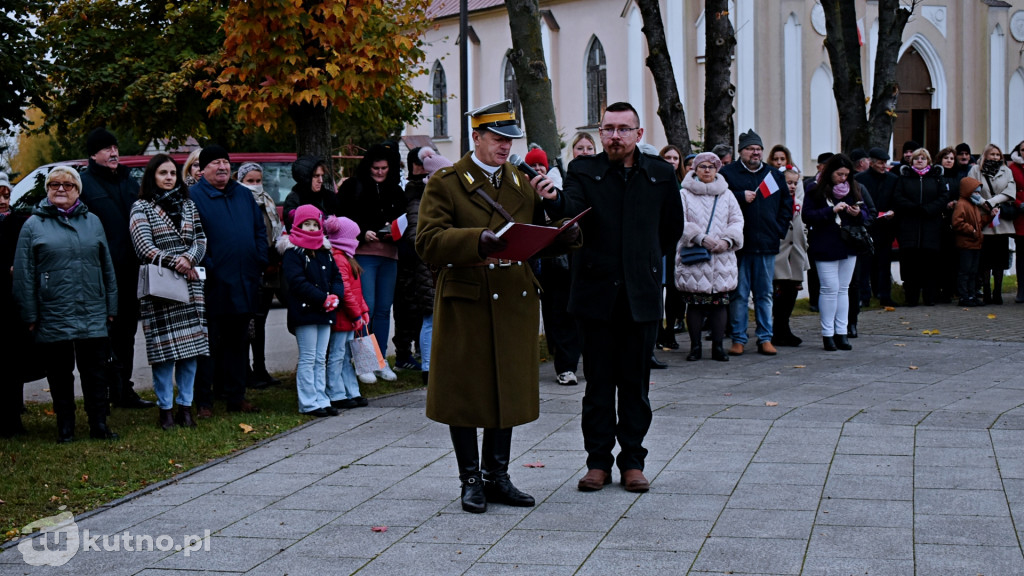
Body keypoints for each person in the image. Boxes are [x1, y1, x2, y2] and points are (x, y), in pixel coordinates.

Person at [416, 99, 578, 513]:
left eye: (510, 140)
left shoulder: (523, 182)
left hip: (512, 297)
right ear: (476, 137)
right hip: (467, 297)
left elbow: (537, 230)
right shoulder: (447, 182)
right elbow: (427, 241)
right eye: (497, 139)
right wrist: (475, 241)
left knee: (505, 389)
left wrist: (560, 227)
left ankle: (498, 475)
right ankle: (470, 479)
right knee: (466, 391)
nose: (505, 147)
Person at [542, 101, 683, 493]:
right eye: (608, 129)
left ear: (639, 134)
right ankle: (598, 462)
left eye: (623, 129)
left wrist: (644, 260)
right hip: (595, 293)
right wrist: (552, 201)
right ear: (600, 133)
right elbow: (569, 207)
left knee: (635, 385)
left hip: (640, 294)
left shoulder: (658, 173)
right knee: (599, 385)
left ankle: (634, 461)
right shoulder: (584, 170)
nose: (615, 136)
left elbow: (672, 227)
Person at [13, 166, 119, 442]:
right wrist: (30, 314)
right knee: (60, 375)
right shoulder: (33, 225)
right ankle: (65, 427)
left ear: (78, 190)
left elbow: (106, 265)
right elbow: (24, 275)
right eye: (54, 184)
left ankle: (99, 424)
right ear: (47, 189)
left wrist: (111, 306)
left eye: (68, 185)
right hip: (53, 311)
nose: (61, 189)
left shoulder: (93, 221)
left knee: (95, 372)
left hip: (92, 309)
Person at [129, 155, 208, 429]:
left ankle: (186, 408)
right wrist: (178, 262)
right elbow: (143, 247)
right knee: (164, 356)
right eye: (163, 172)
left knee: (190, 352)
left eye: (173, 173)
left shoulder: (188, 204)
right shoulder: (141, 207)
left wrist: (191, 258)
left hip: (190, 285)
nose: (169, 177)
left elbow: (201, 238)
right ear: (152, 176)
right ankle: (166, 410)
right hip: (161, 288)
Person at [78, 128, 154, 409]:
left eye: (115, 147)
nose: (114, 152)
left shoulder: (129, 181)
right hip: (101, 274)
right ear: (93, 154)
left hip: (132, 271)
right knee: (103, 336)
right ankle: (104, 392)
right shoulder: (84, 185)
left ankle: (124, 390)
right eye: (107, 148)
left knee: (127, 334)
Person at [190, 144, 267, 416]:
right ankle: (204, 401)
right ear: (202, 169)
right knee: (207, 345)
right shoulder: (193, 197)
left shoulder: (243, 195)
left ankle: (237, 396)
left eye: (225, 162)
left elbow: (259, 229)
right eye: (215, 163)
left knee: (238, 342)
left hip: (245, 281)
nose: (222, 167)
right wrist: (210, 267)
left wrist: (259, 257)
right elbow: (192, 238)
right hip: (212, 284)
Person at [720, 129, 793, 356]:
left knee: (765, 295)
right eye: (751, 149)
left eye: (759, 149)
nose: (755, 153)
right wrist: (741, 197)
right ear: (741, 151)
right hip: (739, 246)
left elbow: (785, 205)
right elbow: (720, 203)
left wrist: (778, 230)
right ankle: (739, 338)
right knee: (739, 295)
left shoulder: (774, 175)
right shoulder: (728, 174)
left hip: (767, 244)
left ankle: (765, 338)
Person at [339, 143, 407, 382]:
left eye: (384, 168)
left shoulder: (396, 191)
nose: (379, 172)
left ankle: (379, 360)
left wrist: (393, 232)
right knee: (365, 308)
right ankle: (365, 360)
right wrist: (362, 233)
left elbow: (403, 219)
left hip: (389, 254)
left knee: (382, 310)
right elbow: (344, 219)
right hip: (364, 254)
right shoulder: (353, 187)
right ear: (368, 167)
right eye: (375, 168)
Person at [675, 152, 744, 361]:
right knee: (694, 304)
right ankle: (695, 347)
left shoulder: (727, 194)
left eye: (711, 166)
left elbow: (737, 220)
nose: (707, 170)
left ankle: (718, 347)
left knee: (720, 303)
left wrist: (728, 240)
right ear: (695, 169)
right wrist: (699, 237)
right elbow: (679, 220)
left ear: (717, 169)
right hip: (695, 256)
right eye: (702, 166)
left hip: (721, 256)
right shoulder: (684, 194)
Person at [278, 205, 343, 417]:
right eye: (307, 224)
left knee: (319, 358)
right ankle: (308, 402)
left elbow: (336, 277)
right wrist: (322, 298)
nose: (312, 228)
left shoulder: (325, 251)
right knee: (308, 357)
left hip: (325, 311)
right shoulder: (293, 252)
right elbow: (297, 282)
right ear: (298, 225)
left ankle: (322, 398)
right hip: (305, 312)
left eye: (315, 224)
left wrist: (335, 296)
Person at [526, 147, 583, 385]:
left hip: (560, 264)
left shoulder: (557, 187)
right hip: (535, 264)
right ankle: (557, 360)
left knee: (564, 315)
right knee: (549, 317)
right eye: (533, 166)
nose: (538, 169)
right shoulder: (521, 192)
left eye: (541, 165)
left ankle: (567, 366)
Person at [803, 154, 870, 351]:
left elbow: (866, 212)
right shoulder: (814, 189)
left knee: (843, 289)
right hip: (825, 244)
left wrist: (858, 213)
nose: (842, 178)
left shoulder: (854, 188)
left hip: (849, 243)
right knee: (829, 288)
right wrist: (831, 211)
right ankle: (827, 334)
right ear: (830, 173)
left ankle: (842, 332)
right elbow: (807, 216)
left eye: (846, 175)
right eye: (839, 174)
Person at [237, 162, 283, 389]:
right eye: (250, 181)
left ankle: (261, 367)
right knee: (249, 322)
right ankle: (245, 370)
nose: (255, 186)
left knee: (261, 321)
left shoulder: (268, 201)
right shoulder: (239, 202)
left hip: (268, 268)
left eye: (258, 181)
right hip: (250, 268)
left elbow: (274, 230)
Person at [892, 148, 951, 306]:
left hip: (931, 227)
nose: (919, 161)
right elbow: (898, 197)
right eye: (916, 158)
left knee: (930, 266)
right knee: (910, 266)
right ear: (911, 161)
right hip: (909, 228)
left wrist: (929, 208)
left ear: (928, 161)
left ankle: (930, 297)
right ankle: (911, 297)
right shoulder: (904, 178)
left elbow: (943, 197)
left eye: (923, 158)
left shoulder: (937, 178)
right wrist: (913, 208)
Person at [325, 216, 372, 407]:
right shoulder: (338, 258)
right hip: (344, 316)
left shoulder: (346, 258)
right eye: (354, 237)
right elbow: (345, 291)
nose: (357, 241)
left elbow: (356, 291)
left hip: (351, 316)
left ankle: (351, 391)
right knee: (337, 355)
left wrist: (363, 310)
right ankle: (336, 392)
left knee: (345, 355)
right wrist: (356, 314)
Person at [391, 148, 428, 372]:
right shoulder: (409, 191)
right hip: (407, 256)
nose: (423, 168)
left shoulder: (431, 187)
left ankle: (418, 351)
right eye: (419, 163)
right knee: (406, 309)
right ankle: (404, 354)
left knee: (422, 308)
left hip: (420, 258)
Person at [768, 145, 809, 347]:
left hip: (796, 252)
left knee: (792, 292)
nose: (791, 187)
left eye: (794, 183)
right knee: (779, 293)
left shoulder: (797, 203)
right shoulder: (774, 201)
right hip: (780, 253)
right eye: (788, 183)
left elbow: (801, 225)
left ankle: (785, 327)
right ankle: (777, 329)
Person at [967, 144, 1016, 304]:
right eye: (992, 154)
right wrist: (985, 204)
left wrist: (993, 203)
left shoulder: (1006, 170)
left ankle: (998, 292)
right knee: (985, 262)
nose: (995, 157)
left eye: (997, 154)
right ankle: (986, 291)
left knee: (1000, 262)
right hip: (984, 220)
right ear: (985, 155)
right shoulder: (975, 170)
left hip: (1001, 221)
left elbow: (1010, 191)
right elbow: (970, 190)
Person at [0, 172, 29, 437]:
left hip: (15, 300)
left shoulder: (19, 223)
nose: (2, 199)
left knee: (13, 359)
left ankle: (14, 413)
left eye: (6, 193)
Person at [855, 148, 899, 306]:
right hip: (867, 226)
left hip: (885, 227)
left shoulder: (892, 179)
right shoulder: (860, 179)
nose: (884, 166)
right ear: (871, 163)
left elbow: (896, 198)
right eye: (880, 163)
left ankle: (885, 296)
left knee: (884, 264)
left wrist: (893, 211)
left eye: (885, 163)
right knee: (865, 264)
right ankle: (863, 297)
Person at [951, 177, 992, 307]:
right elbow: (957, 222)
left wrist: (990, 216)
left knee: (973, 272)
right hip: (966, 244)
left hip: (975, 244)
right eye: (975, 192)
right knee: (965, 271)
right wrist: (972, 231)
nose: (978, 195)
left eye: (979, 193)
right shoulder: (962, 204)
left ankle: (971, 295)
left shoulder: (973, 205)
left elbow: (979, 222)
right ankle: (964, 296)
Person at [283, 155, 341, 229]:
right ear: (306, 177)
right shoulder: (294, 199)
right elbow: (292, 227)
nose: (321, 180)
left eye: (322, 176)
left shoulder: (329, 197)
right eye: (316, 176)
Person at [1009, 140, 1024, 303]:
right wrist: (1019, 204)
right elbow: (1008, 188)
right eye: (1023, 149)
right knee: (1022, 256)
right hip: (1021, 217)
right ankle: (1021, 291)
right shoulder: (1012, 168)